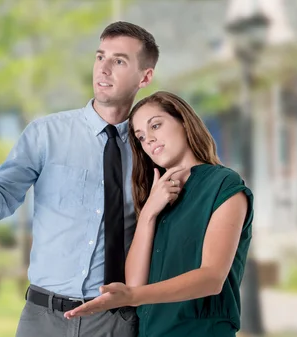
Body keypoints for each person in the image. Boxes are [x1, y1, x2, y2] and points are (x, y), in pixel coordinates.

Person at [0, 21, 158, 337]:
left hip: (114, 321)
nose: (103, 69)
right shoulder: (46, 135)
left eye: (119, 61)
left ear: (145, 77)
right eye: (100, 57)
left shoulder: (153, 148)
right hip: (43, 319)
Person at [64, 91, 254, 337]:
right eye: (141, 137)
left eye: (156, 125)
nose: (149, 140)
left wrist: (131, 297)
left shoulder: (223, 184)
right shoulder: (154, 196)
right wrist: (149, 213)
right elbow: (134, 283)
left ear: (184, 122)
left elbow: (211, 278)